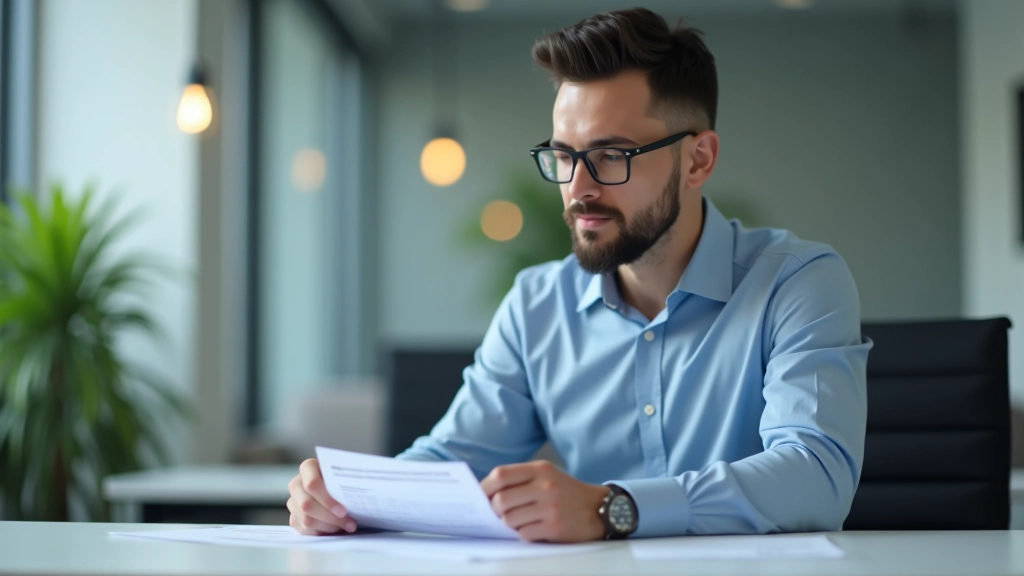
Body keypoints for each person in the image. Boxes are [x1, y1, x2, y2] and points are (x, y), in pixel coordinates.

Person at [287, 7, 871, 542]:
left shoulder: (798, 283)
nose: (578, 188)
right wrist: (347, 498)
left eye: (611, 155)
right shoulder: (536, 303)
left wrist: (613, 508)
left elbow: (816, 475)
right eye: (564, 155)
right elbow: (453, 458)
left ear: (698, 160)